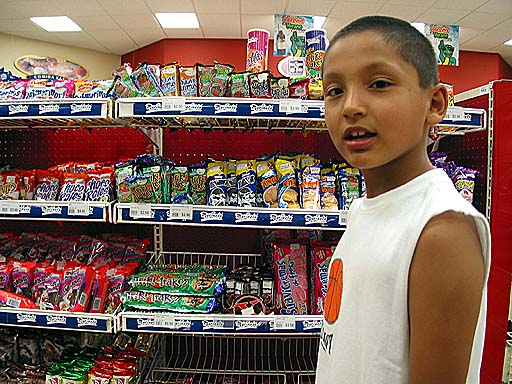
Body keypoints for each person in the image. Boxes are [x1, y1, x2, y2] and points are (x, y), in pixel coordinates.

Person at [316, 15, 491, 384]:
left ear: (436, 103)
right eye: (334, 91)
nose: (350, 106)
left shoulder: (441, 231)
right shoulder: (366, 209)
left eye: (379, 84)